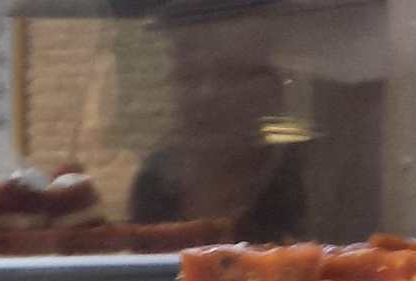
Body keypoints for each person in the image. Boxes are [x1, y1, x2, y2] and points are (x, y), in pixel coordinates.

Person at [130, 20, 306, 243]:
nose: (207, 94)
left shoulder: (300, 180)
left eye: (230, 75)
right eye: (189, 75)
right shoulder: (153, 182)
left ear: (272, 92)